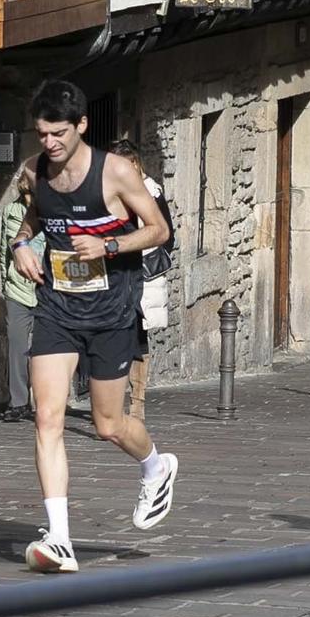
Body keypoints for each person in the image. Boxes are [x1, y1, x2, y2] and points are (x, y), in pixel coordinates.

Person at [10, 80, 176, 573]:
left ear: (81, 125)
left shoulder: (116, 173)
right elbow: (32, 222)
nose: (50, 143)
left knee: (107, 426)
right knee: (47, 418)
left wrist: (107, 247)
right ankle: (59, 539)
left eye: (59, 133)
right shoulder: (34, 173)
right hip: (58, 309)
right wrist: (21, 247)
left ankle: (156, 466)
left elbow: (159, 230)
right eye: (42, 134)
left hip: (111, 312)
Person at [109, 136, 173, 429]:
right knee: (112, 336)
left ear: (135, 164)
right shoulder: (106, 192)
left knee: (137, 336)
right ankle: (112, 406)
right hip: (112, 275)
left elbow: (165, 233)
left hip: (142, 275)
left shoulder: (150, 191)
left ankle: (137, 405)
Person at [0, 183, 38, 421]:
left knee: (44, 350)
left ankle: (44, 402)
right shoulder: (11, 211)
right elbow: (4, 248)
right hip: (18, 287)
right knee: (17, 344)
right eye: (28, 192)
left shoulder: (52, 211)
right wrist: (6, 282)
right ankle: (18, 401)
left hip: (45, 286)